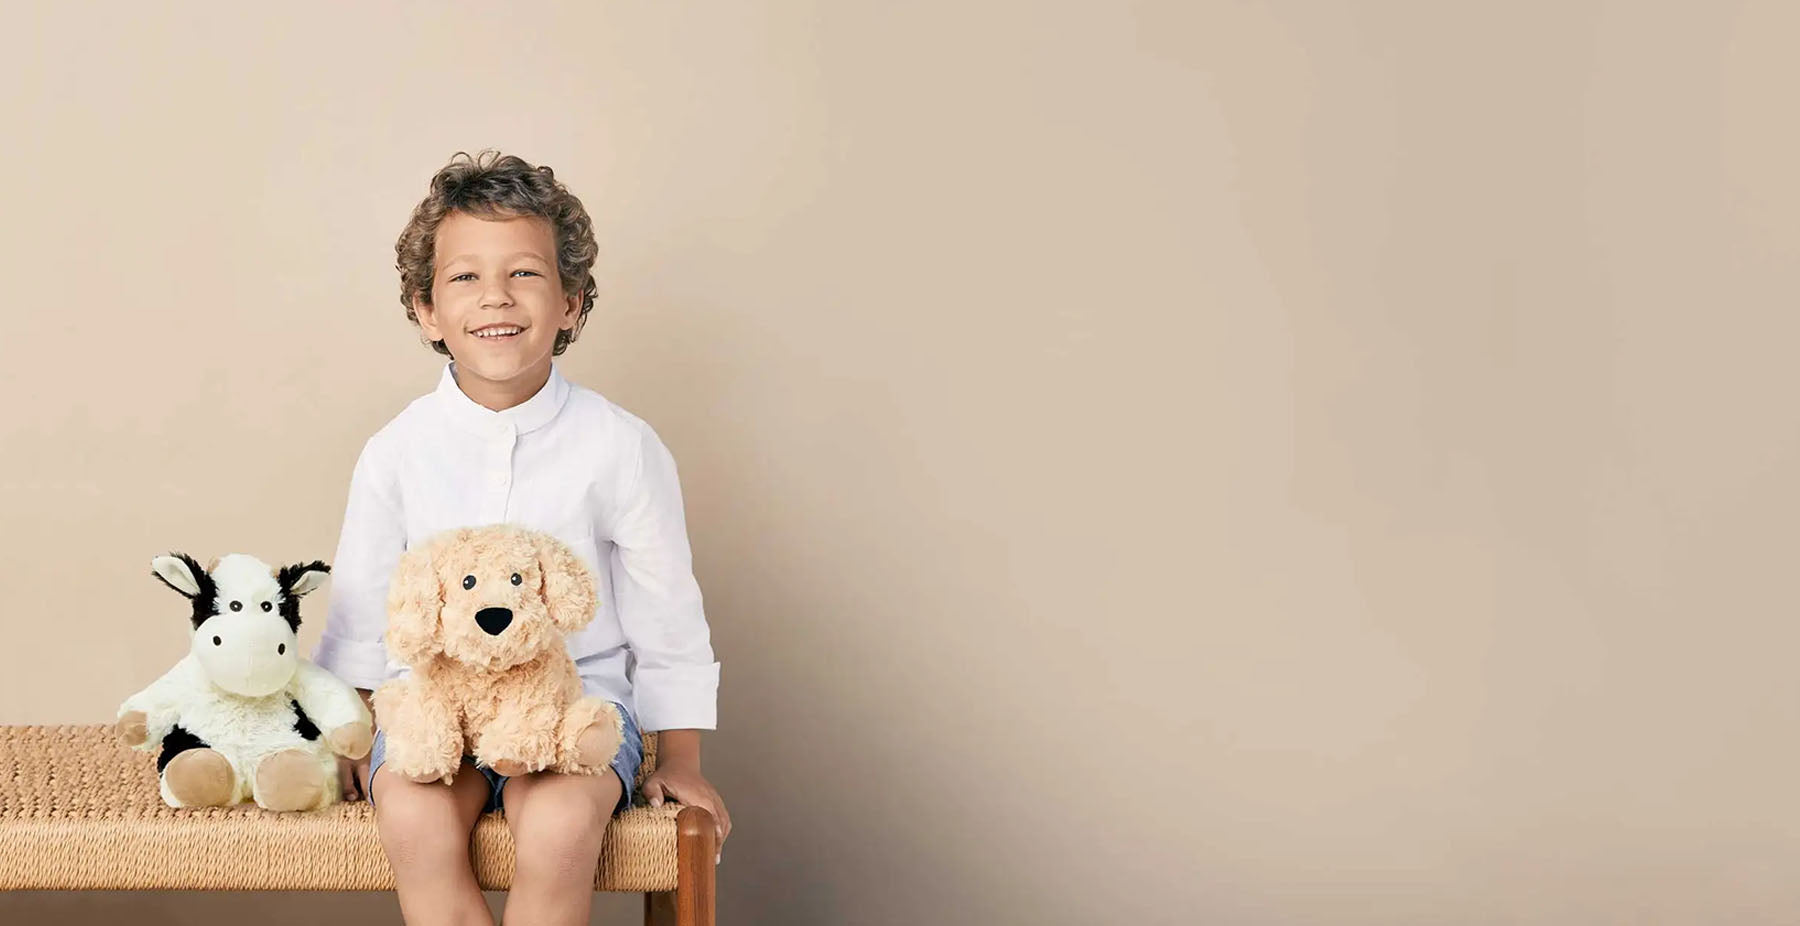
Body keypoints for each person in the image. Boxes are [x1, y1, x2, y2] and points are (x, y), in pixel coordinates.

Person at [312, 149, 731, 925]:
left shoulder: (620, 444)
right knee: (412, 813)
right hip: (433, 705)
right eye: (465, 277)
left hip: (578, 702)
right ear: (426, 309)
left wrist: (681, 759)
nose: (495, 297)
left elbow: (665, 607)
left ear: (571, 302)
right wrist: (347, 734)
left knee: (563, 823)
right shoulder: (398, 449)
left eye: (526, 274)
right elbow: (364, 607)